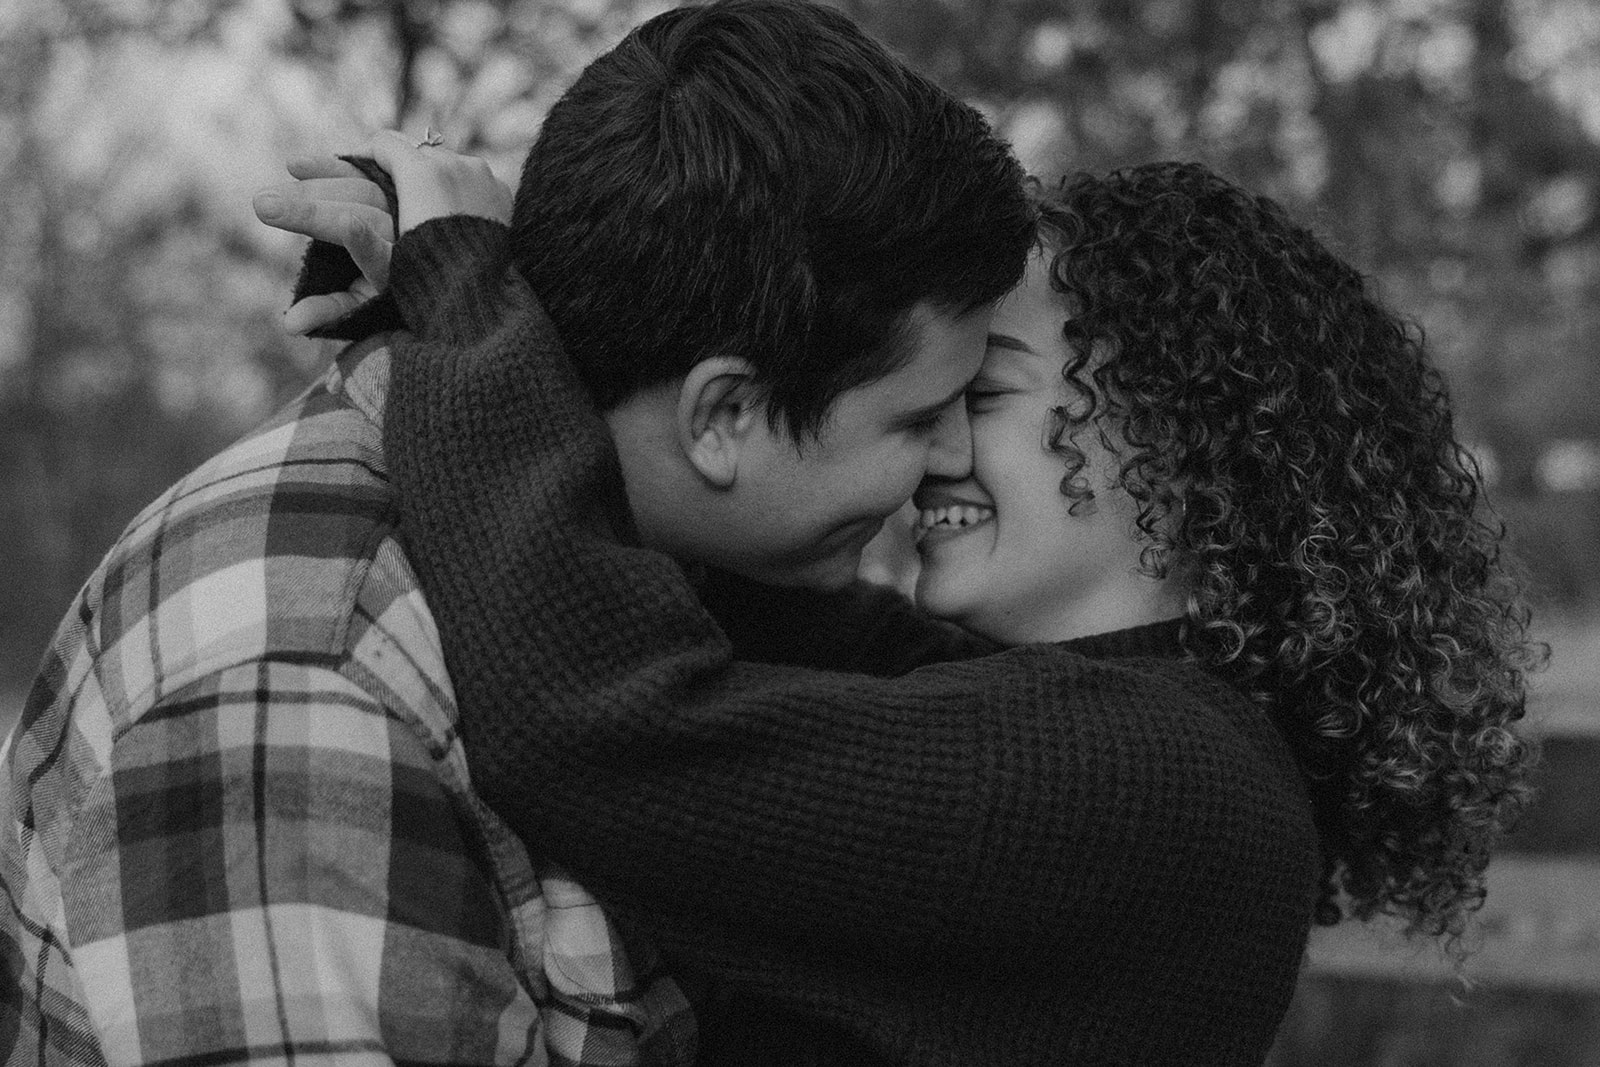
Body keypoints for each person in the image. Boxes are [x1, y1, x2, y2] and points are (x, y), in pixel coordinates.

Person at [275, 152, 1539, 1064]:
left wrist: (471, 282)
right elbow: (670, 574)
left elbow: (600, 721)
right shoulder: (1076, 716)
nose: (922, 453)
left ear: (1169, 440)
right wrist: (555, 292)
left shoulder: (1154, 780)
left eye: (974, 397)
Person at [0, 3, 1035, 1064]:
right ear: (721, 416)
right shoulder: (306, 680)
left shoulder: (641, 545)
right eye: (916, 418)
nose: (954, 457)